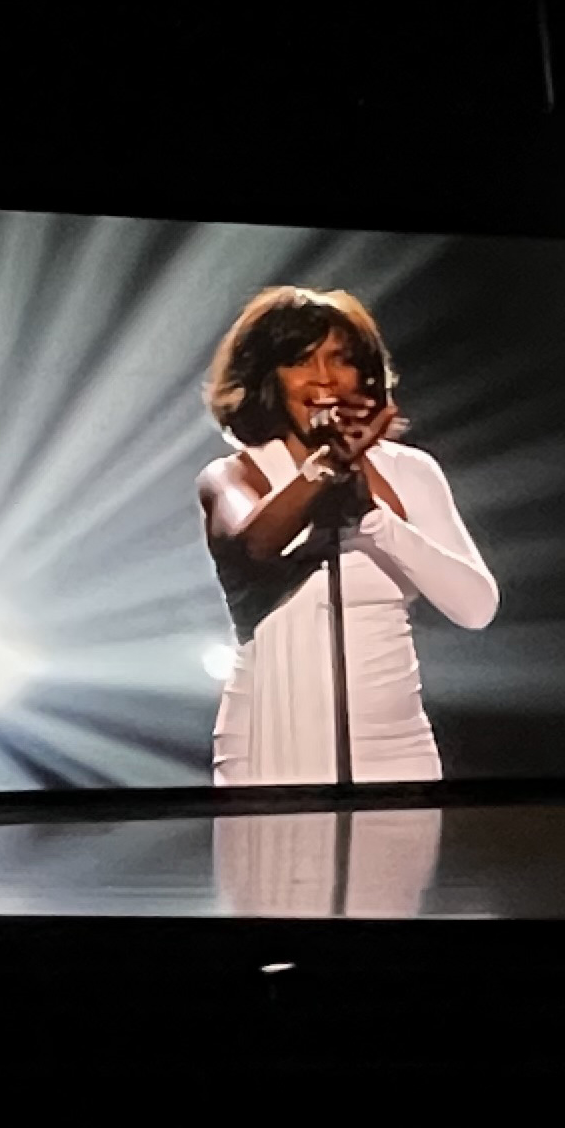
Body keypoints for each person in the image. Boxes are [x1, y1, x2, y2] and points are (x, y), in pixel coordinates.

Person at [194, 285, 499, 785]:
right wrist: (328, 466)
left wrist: (375, 521)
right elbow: (253, 546)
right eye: (300, 361)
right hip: (270, 741)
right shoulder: (234, 475)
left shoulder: (411, 472)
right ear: (267, 377)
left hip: (397, 745)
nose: (324, 379)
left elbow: (475, 607)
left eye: (340, 360)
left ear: (366, 374)